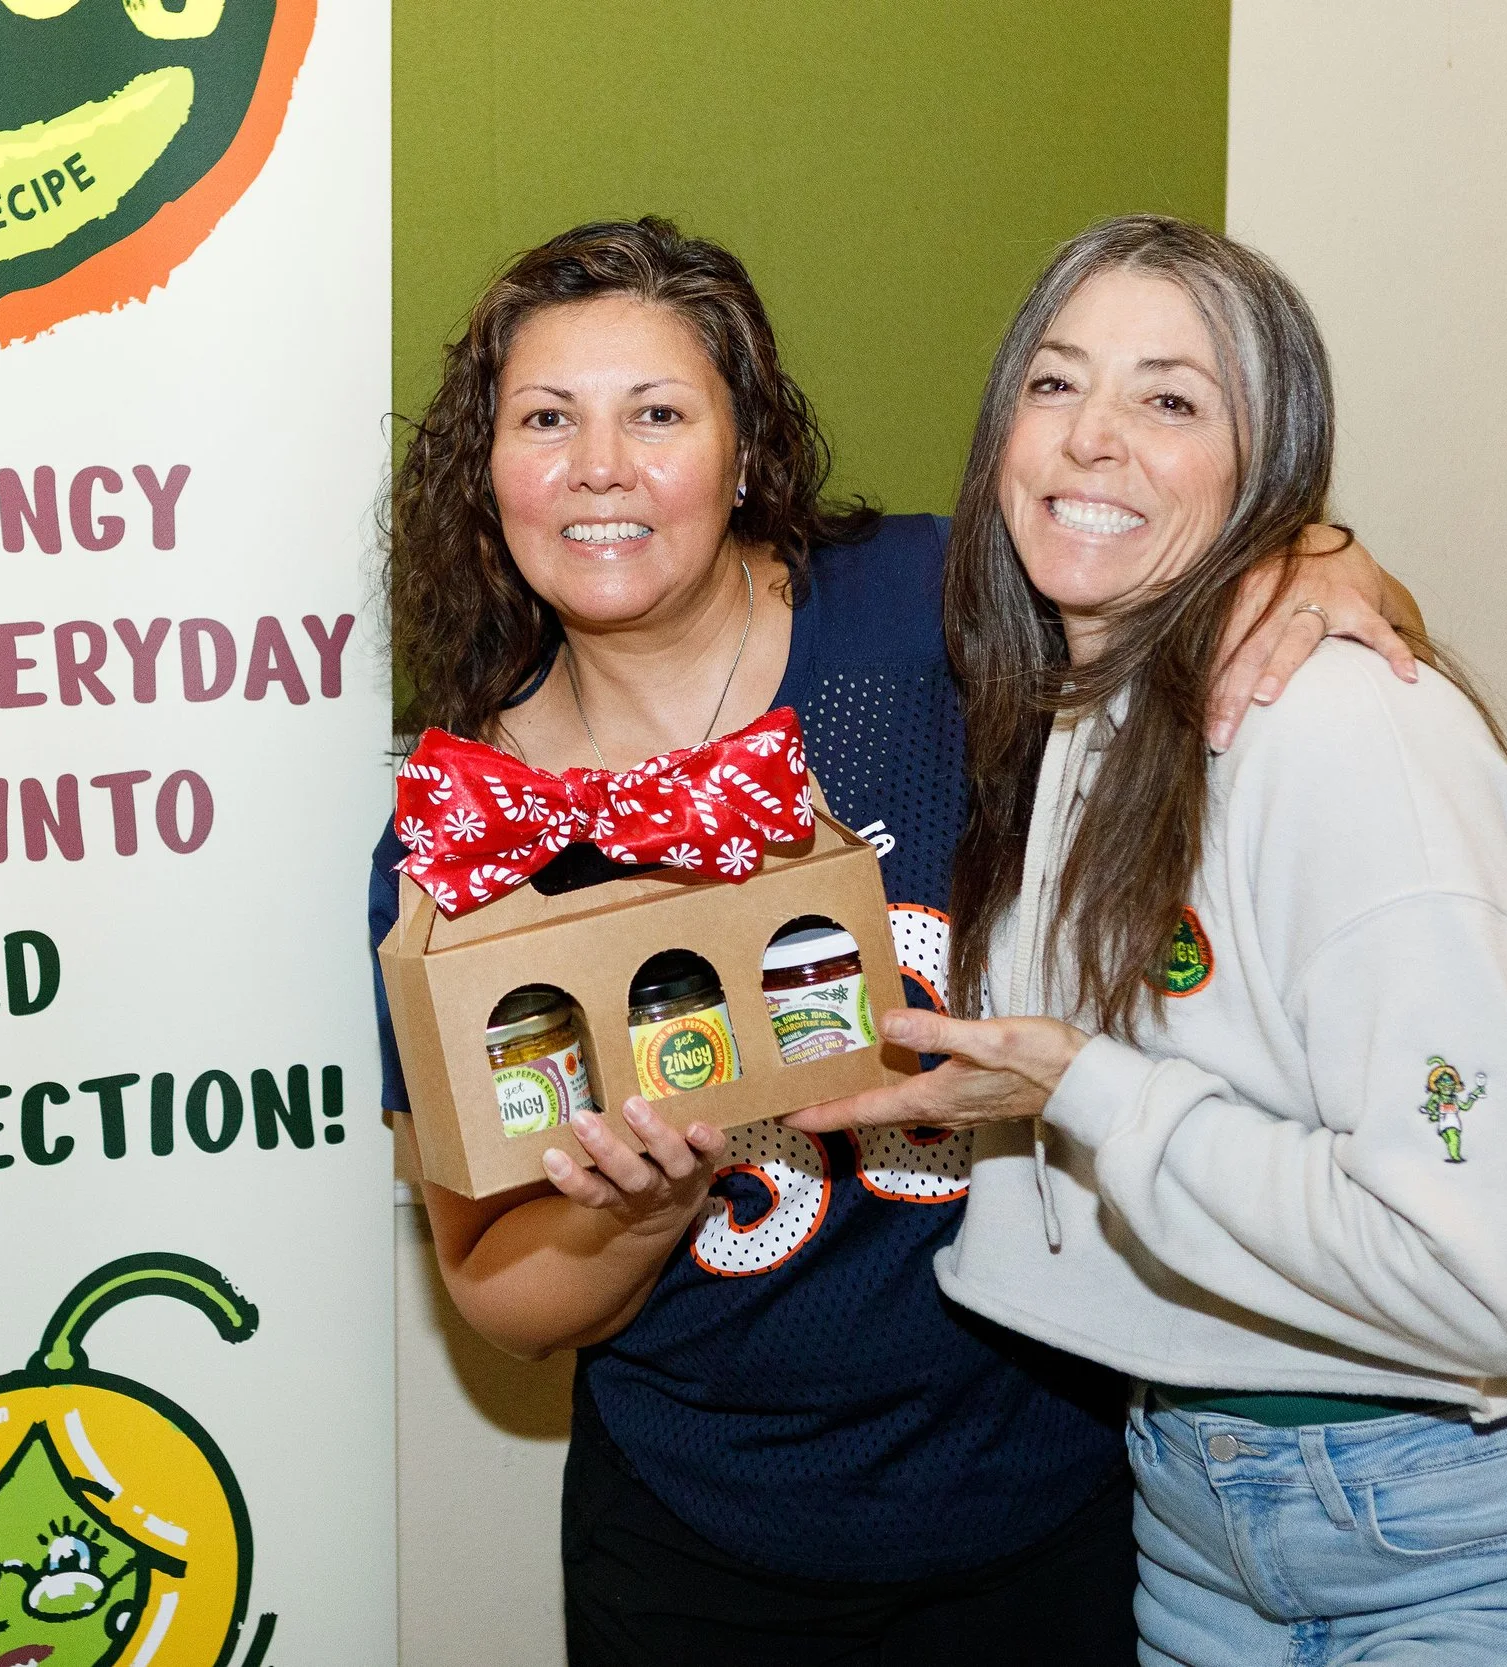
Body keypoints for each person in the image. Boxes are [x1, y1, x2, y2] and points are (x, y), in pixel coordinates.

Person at [374, 217, 1418, 1665]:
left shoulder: (928, 611)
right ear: (489, 474)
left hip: (1056, 1513)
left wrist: (1320, 555)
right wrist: (645, 1202)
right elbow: (498, 1294)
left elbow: (1211, 580)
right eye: (546, 419)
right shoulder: (467, 844)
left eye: (658, 414)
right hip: (697, 1550)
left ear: (743, 453)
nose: (599, 466)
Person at [792, 214, 1507, 1663]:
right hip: (1203, 1515)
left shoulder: (1337, 731)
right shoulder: (1069, 711)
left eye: (1169, 399)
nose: (1093, 438)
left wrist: (1085, 1087)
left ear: (1267, 469)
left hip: (1493, 1532)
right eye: (1054, 382)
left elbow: (1491, 1284)